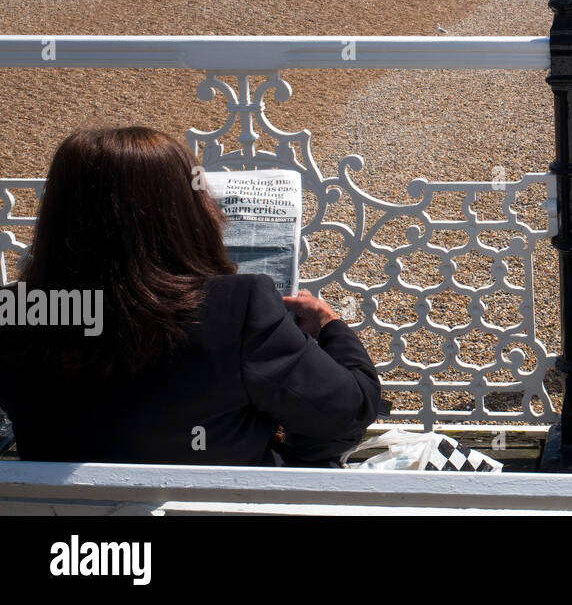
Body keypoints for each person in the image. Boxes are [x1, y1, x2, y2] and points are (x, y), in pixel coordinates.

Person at [0, 127, 380, 465]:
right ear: (184, 212)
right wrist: (330, 325)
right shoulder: (240, 306)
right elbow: (350, 409)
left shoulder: (17, 310)